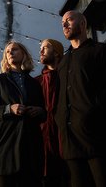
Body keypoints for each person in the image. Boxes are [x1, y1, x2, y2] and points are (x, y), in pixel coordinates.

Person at [55, 10, 106, 187]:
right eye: (62, 22)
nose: (64, 24)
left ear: (83, 23)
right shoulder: (63, 61)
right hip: (70, 143)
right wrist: (60, 118)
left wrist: (91, 110)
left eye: (69, 20)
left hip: (98, 138)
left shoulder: (100, 50)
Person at [0, 40, 47, 187]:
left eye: (15, 49)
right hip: (4, 149)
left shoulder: (34, 83)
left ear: (24, 54)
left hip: (30, 149)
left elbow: (44, 113)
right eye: (8, 51)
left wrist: (40, 111)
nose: (10, 52)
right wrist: (9, 109)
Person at [35, 39, 69, 187]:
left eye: (45, 47)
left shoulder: (67, 76)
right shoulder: (37, 82)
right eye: (40, 48)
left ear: (56, 52)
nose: (41, 51)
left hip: (67, 140)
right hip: (44, 143)